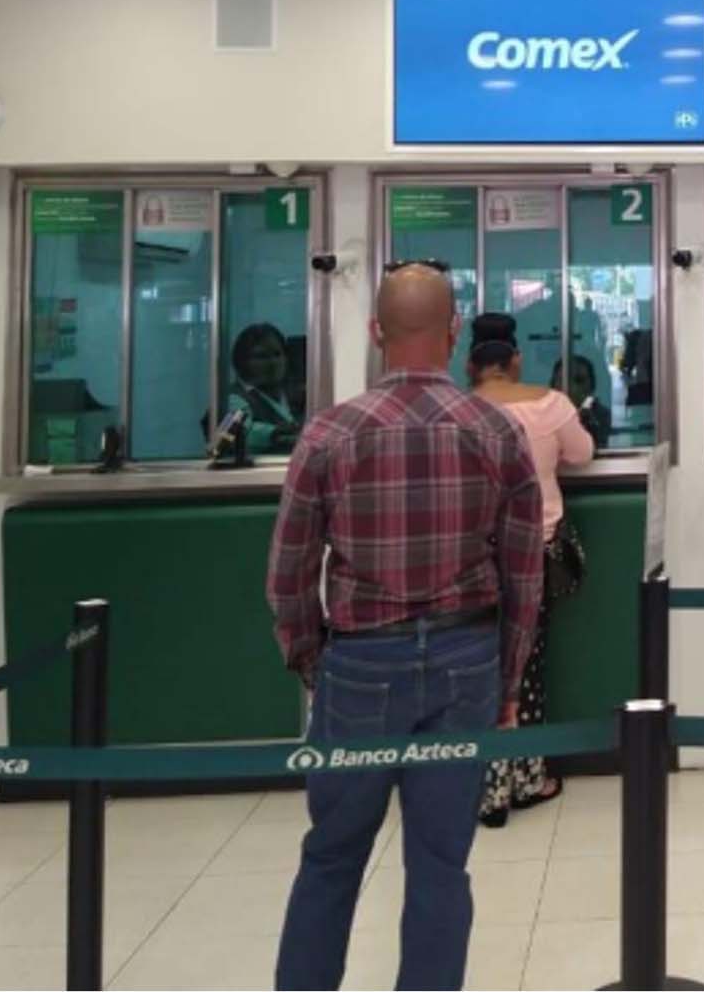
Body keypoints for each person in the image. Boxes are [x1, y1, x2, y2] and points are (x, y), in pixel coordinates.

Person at [266, 263, 544, 992]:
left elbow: (288, 573)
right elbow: (524, 574)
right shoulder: (495, 431)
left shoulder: (329, 433)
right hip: (466, 659)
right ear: (454, 333)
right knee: (441, 864)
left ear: (375, 332)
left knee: (331, 856)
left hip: (359, 663)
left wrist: (312, 661)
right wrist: (508, 681)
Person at [466, 312, 593, 826]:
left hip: (472, 558)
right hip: (533, 553)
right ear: (515, 359)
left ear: (470, 364)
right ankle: (526, 776)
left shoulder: (457, 409)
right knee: (526, 665)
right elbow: (583, 454)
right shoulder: (550, 403)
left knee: (478, 667)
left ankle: (487, 787)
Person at [227, 322, 304, 454]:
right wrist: (276, 433)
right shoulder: (233, 398)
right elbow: (238, 433)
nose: (273, 363)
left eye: (277, 354)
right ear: (242, 361)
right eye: (262, 356)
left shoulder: (294, 395)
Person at [551, 354, 612, 451]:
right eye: (563, 380)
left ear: (592, 386)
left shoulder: (599, 415)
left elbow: (598, 448)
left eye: (579, 381)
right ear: (553, 385)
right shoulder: (542, 415)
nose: (572, 388)